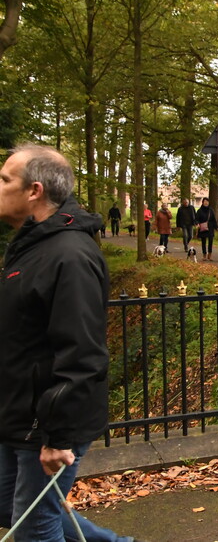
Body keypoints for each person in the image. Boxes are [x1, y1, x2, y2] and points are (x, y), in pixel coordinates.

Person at [0, 144, 135, 542]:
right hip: (18, 414)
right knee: (10, 507)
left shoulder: (70, 256)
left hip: (45, 421)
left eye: (5, 179)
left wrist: (58, 436)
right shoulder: (31, 247)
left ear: (34, 191)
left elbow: (83, 353)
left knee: (34, 528)